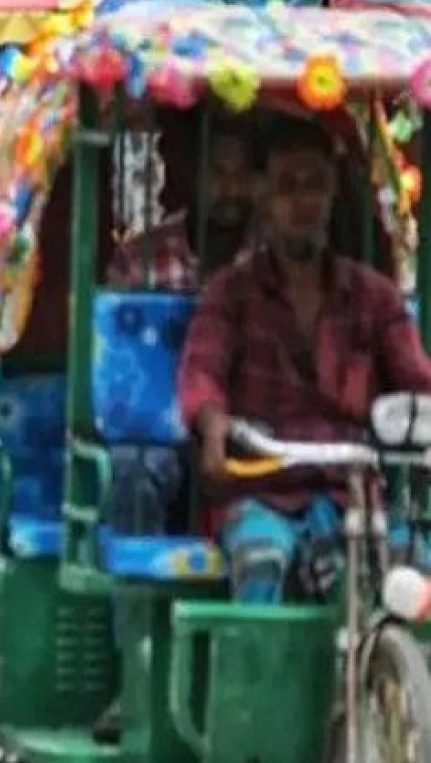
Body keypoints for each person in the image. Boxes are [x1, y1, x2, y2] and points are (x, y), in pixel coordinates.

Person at [179, 115, 431, 604]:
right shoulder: (231, 292)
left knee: (408, 566)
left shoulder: (374, 297)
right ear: (263, 197)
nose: (302, 203)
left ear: (333, 192)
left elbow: (416, 377)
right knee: (261, 562)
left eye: (314, 186)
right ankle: (250, 683)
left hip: (352, 492)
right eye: (287, 188)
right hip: (261, 492)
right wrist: (212, 427)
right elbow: (202, 368)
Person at [105, 122, 259, 290]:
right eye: (218, 173)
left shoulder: (271, 253)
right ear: (193, 173)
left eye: (242, 175)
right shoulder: (139, 258)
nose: (233, 190)